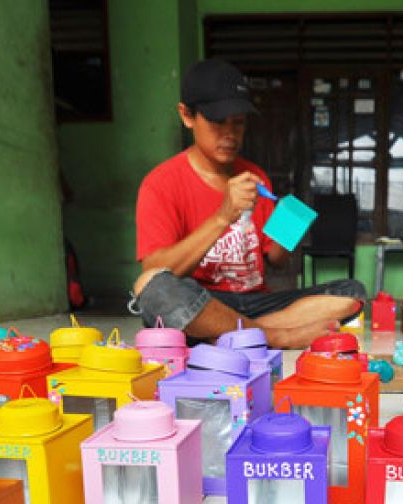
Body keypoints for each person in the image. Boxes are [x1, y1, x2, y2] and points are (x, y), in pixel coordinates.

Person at [131, 59, 366, 348]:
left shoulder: (256, 178)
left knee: (350, 291)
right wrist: (222, 217)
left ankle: (223, 333)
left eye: (239, 123)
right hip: (204, 301)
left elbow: (276, 261)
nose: (230, 134)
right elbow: (155, 270)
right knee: (152, 288)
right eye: (218, 122)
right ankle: (277, 335)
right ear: (187, 115)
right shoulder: (161, 183)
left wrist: (287, 232)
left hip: (256, 303)